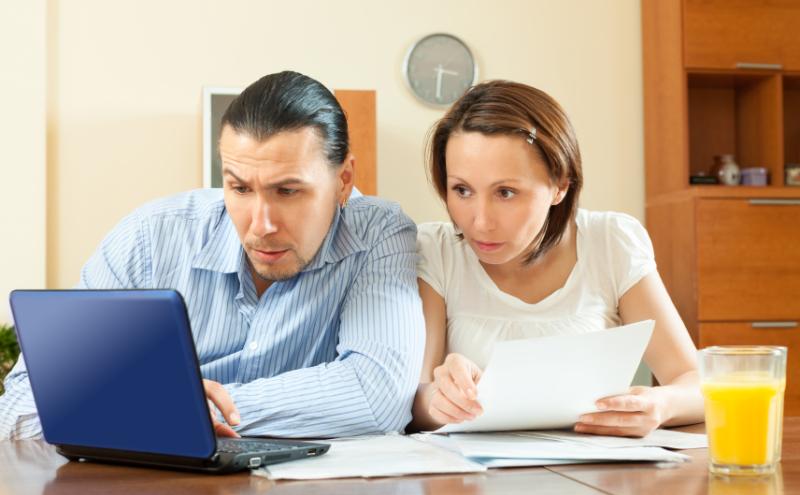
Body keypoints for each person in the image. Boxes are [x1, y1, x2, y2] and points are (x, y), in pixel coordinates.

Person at [0, 71, 425, 440]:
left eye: (288, 191)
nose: (261, 224)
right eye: (240, 188)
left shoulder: (379, 234)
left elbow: (379, 393)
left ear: (344, 179)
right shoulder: (151, 238)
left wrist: (183, 410)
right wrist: (166, 412)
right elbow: (21, 408)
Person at [410, 80, 704, 436]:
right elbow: (413, 400)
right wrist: (440, 401)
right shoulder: (436, 251)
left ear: (560, 185)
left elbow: (695, 383)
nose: (480, 221)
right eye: (462, 190)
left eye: (505, 192)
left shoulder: (610, 243)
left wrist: (659, 405)